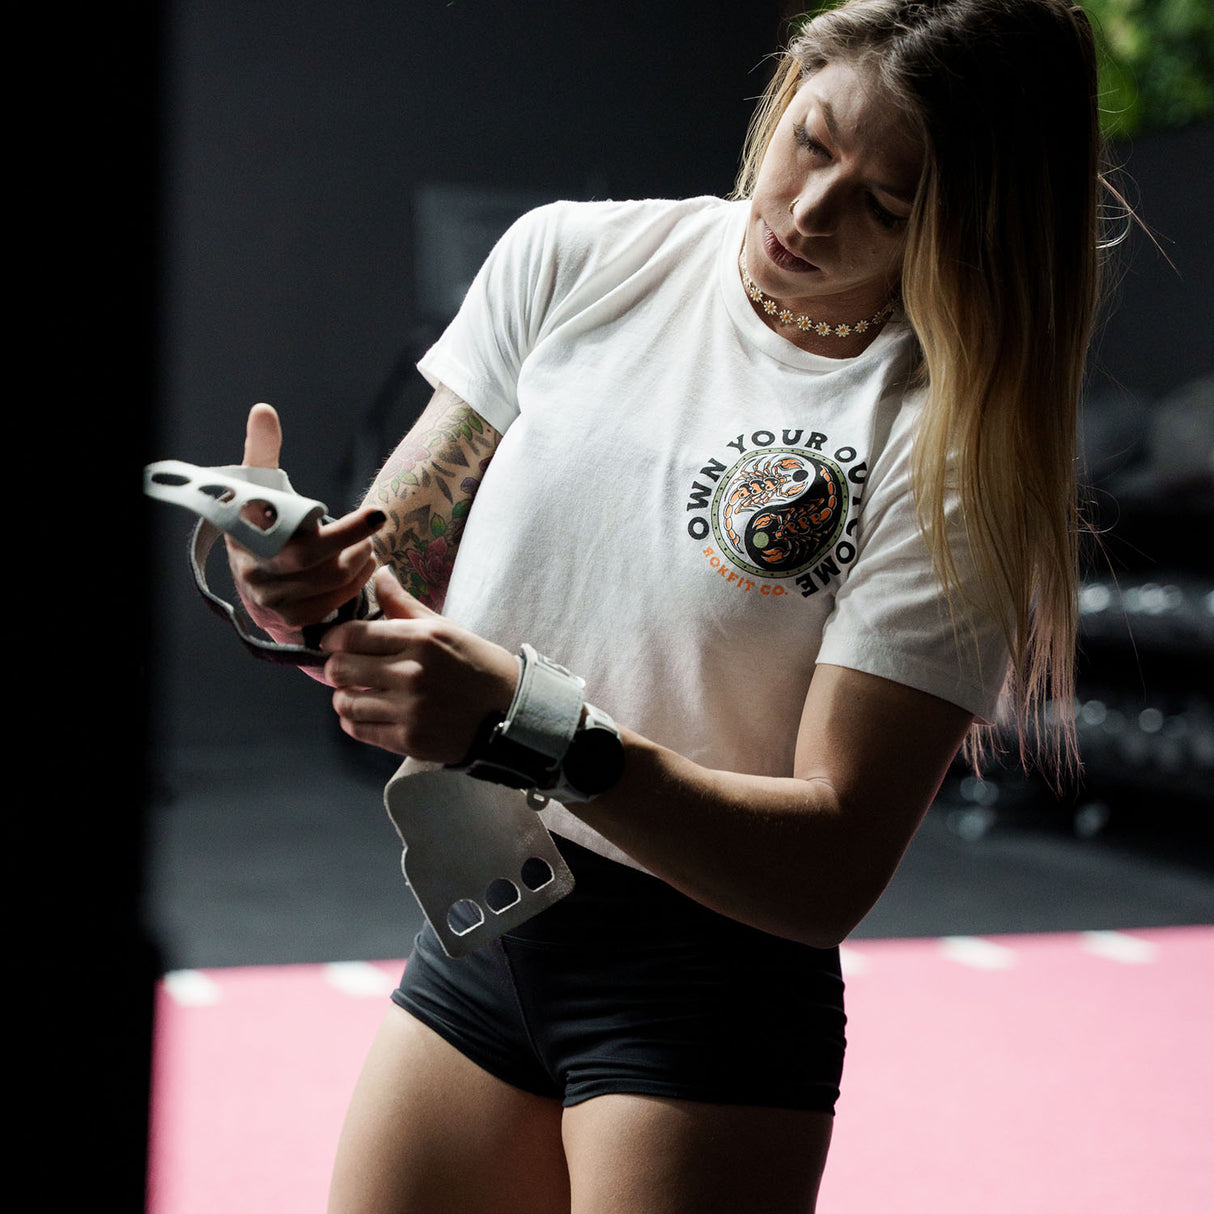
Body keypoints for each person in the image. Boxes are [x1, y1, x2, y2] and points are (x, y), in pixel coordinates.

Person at [225, 2, 1107, 1209]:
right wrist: (289, 581)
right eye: (811, 140)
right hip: (485, 929)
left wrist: (522, 721)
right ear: (786, 89)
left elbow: (831, 861)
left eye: (887, 205)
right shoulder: (574, 258)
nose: (807, 210)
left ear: (970, 232)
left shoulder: (942, 447)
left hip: (706, 992)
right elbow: (390, 568)